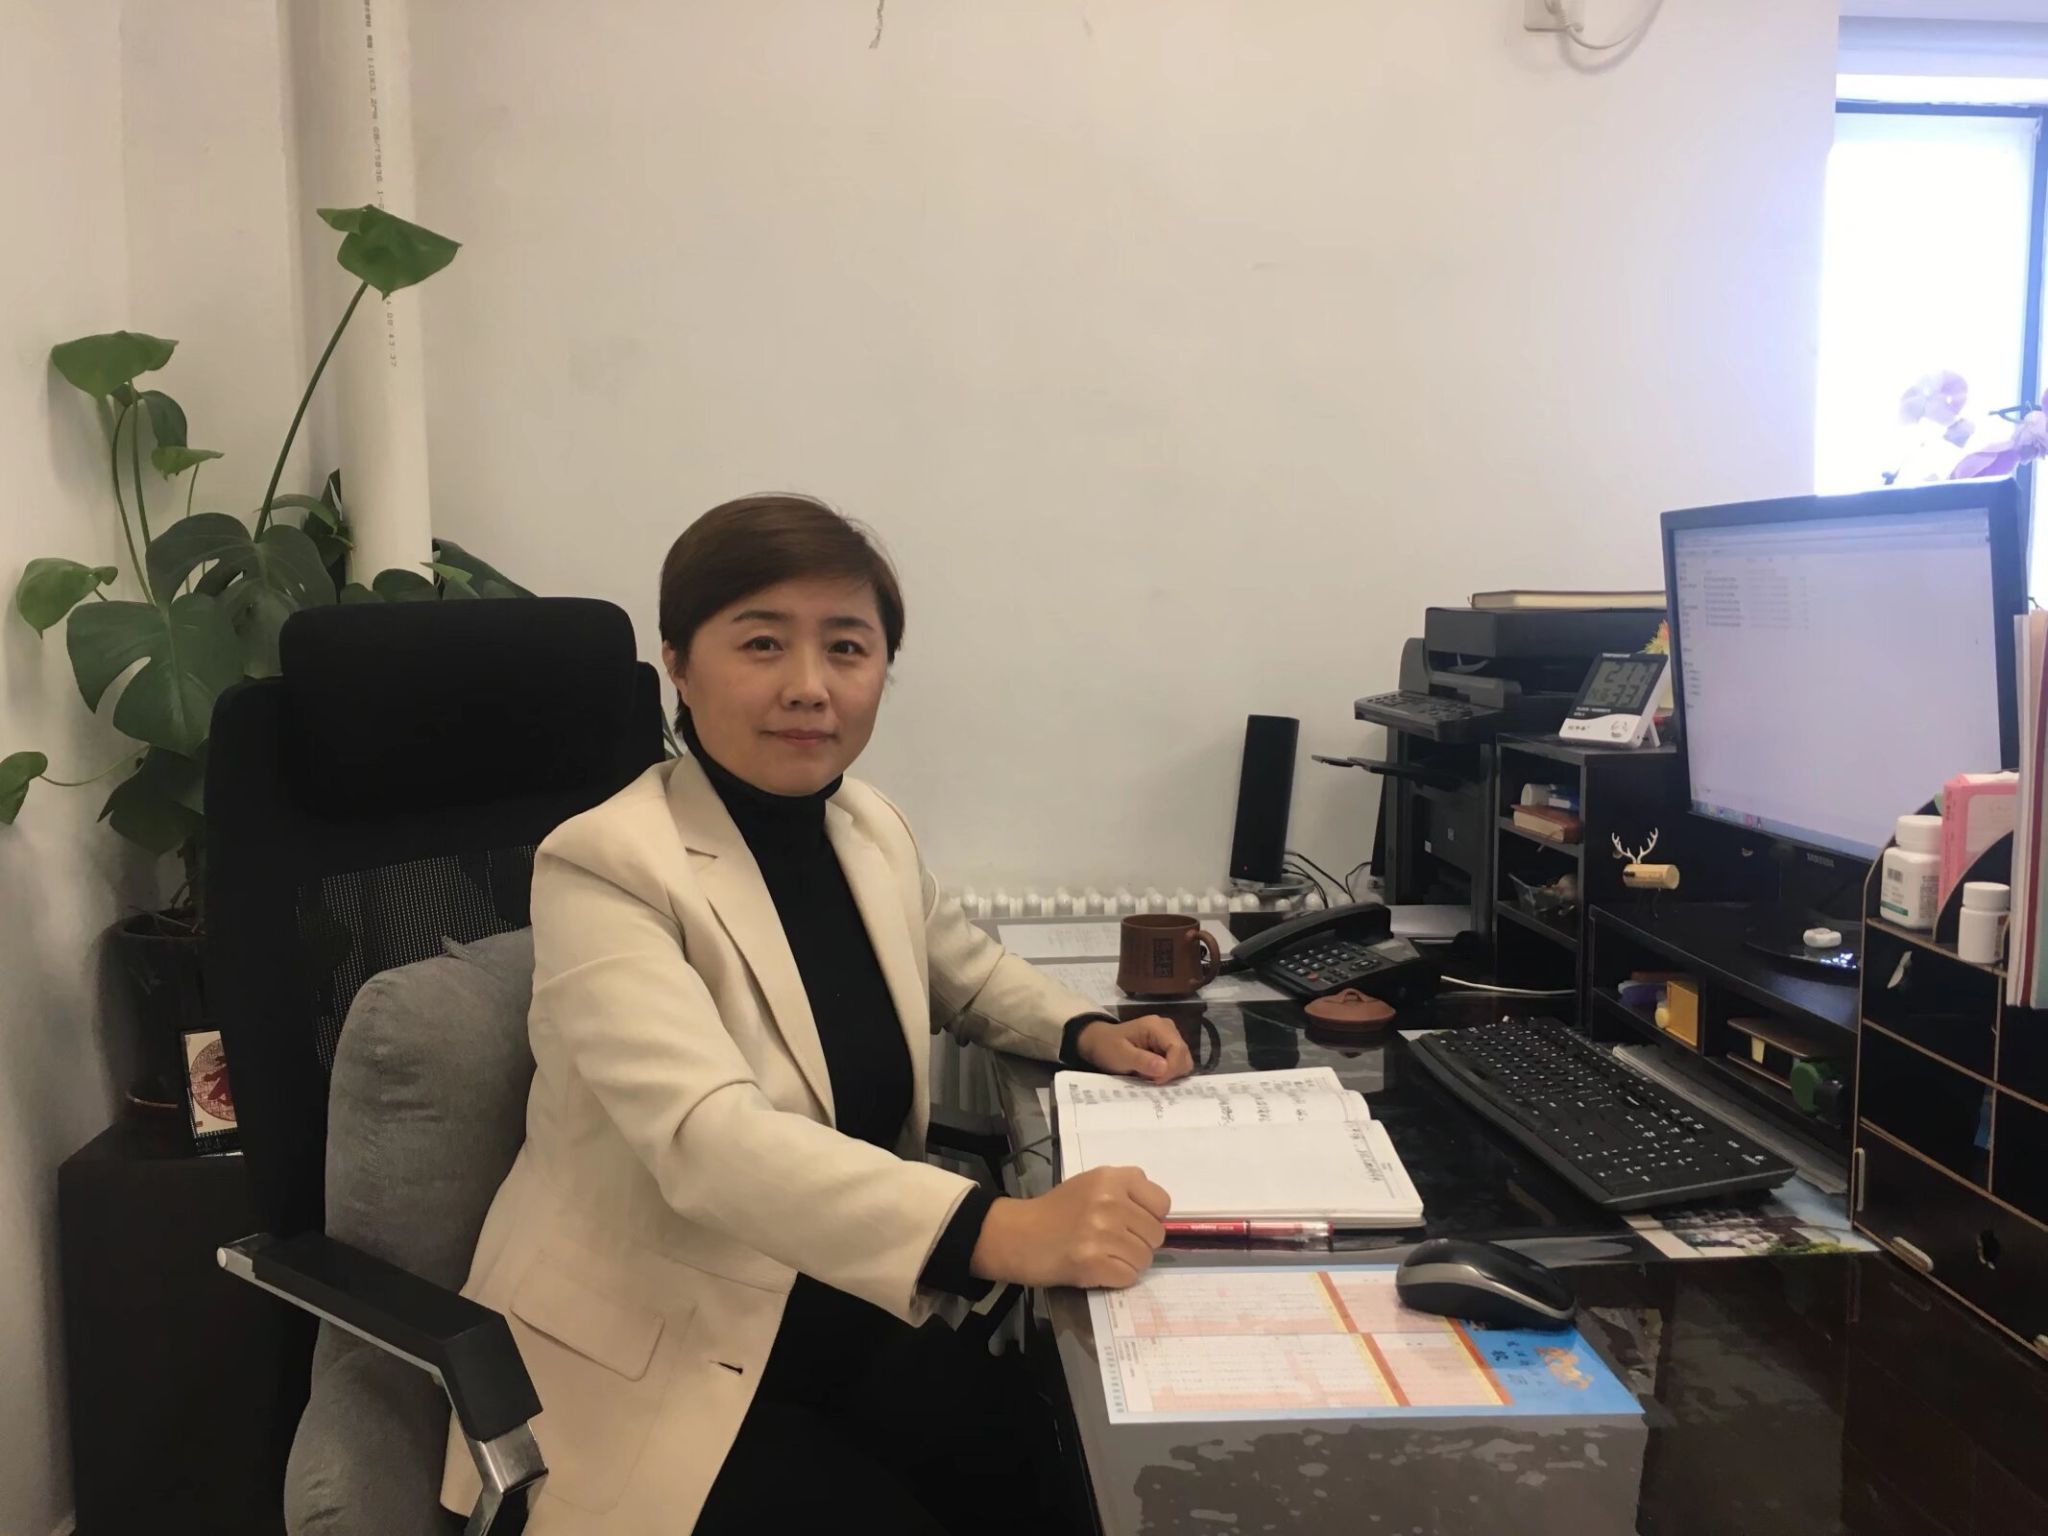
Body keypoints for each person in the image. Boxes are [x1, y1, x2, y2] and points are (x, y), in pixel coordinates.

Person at [440, 493, 1195, 1534]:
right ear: (679, 663)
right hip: (652, 1355)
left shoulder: (863, 822)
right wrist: (999, 1229)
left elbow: (963, 972)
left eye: (847, 647)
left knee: (1069, 1477)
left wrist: (1082, 1030)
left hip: (835, 1303)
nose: (809, 685)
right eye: (762, 643)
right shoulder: (606, 865)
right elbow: (708, 1140)